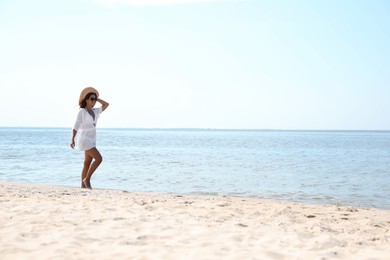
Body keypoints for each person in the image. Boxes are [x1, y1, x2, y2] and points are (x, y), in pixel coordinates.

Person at [70, 87, 109, 189]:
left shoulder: (95, 111)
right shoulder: (82, 112)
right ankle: (87, 179)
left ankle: (83, 187)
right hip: (84, 140)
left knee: (87, 163)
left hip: (92, 140)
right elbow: (75, 127)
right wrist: (72, 139)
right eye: (92, 99)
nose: (94, 101)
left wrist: (97, 98)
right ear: (86, 100)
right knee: (99, 159)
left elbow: (106, 104)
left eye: (94, 100)